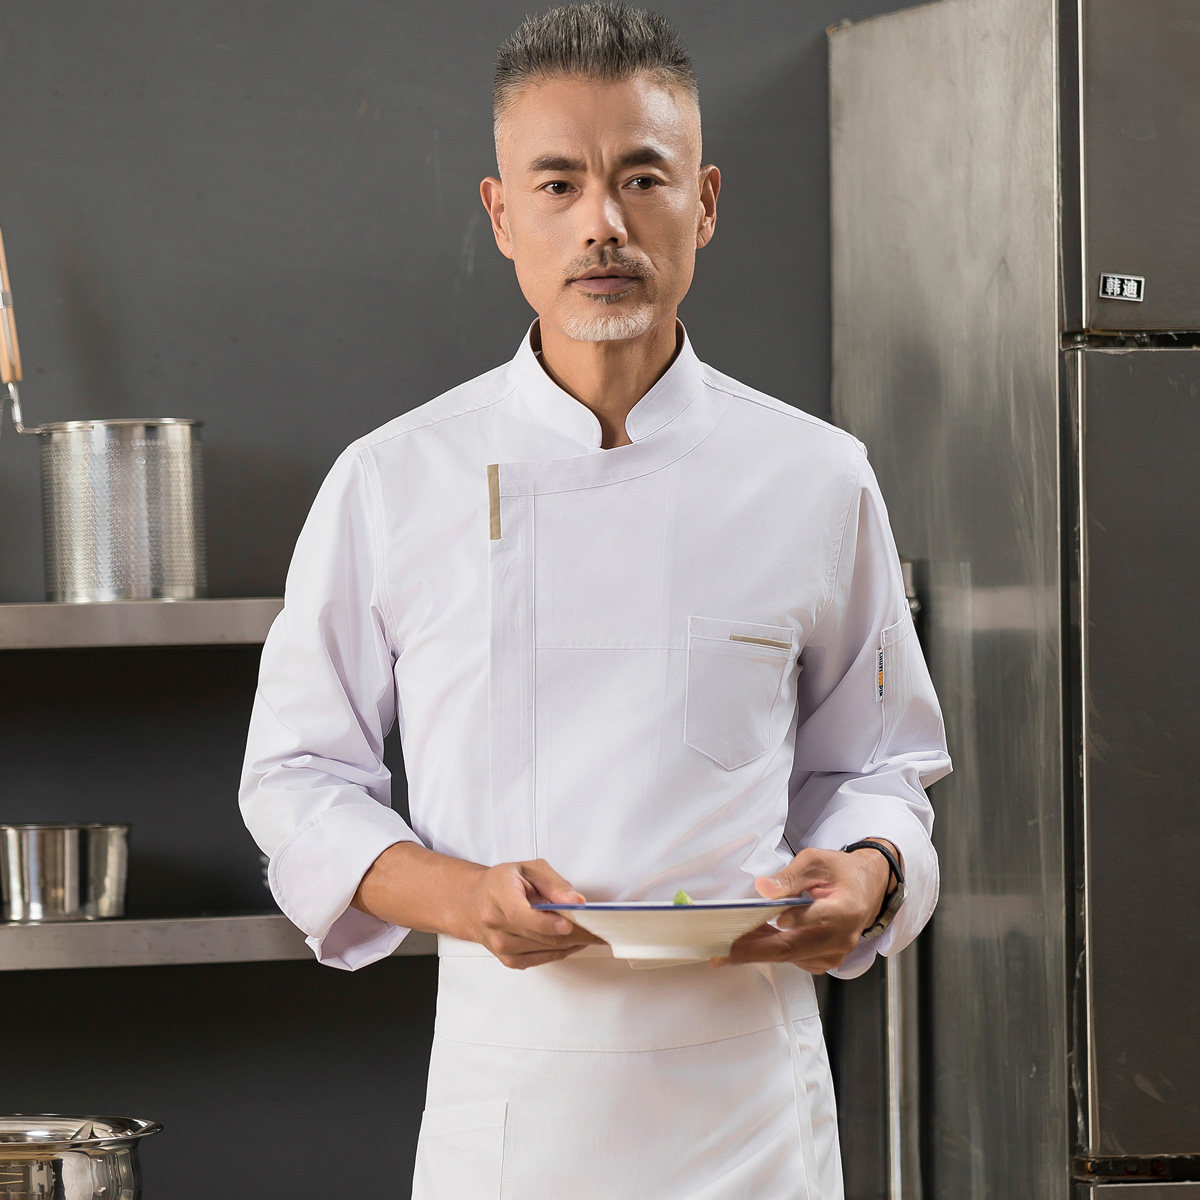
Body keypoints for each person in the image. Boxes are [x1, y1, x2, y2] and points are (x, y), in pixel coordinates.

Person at [238, 4, 952, 1197]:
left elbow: (881, 766)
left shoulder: (817, 478)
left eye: (641, 179)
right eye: (559, 184)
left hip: (751, 1117)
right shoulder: (393, 480)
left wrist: (870, 873)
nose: (603, 224)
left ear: (704, 203)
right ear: (501, 214)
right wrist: (465, 897)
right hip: (512, 1111)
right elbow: (297, 780)